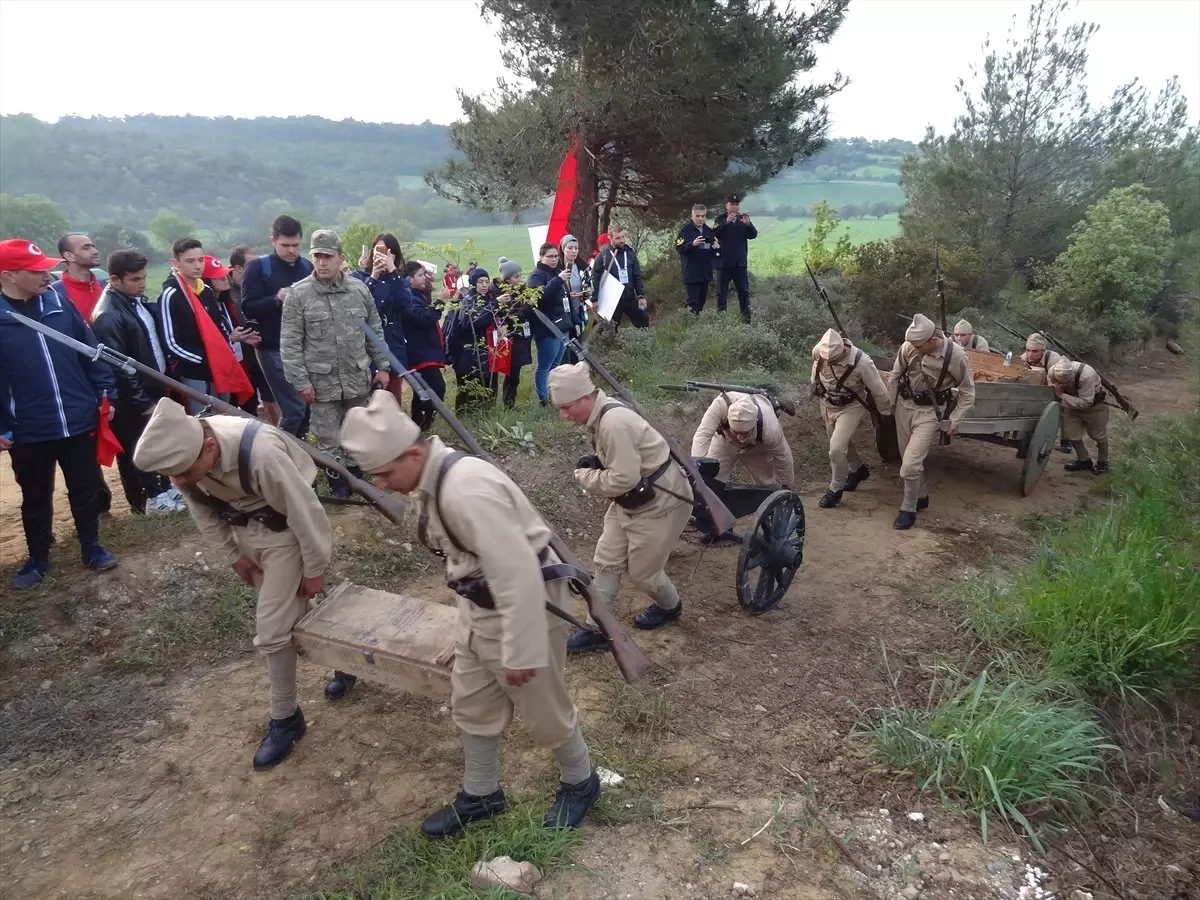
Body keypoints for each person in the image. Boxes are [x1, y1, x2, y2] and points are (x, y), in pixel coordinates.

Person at [339, 391, 601, 836]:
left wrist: (520, 650)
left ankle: (581, 782)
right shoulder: (432, 479)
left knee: (544, 709)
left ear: (414, 453)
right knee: (473, 703)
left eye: (384, 473)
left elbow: (517, 572)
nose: (380, 484)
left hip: (525, 608)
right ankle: (482, 794)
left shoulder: (466, 490)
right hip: (479, 605)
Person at [132, 398, 332, 769]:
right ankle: (345, 659)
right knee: (295, 614)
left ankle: (286, 719)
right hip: (246, 532)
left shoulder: (261, 453)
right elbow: (201, 507)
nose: (179, 482)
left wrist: (314, 567)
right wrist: (231, 553)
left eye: (184, 472)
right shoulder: (187, 457)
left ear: (209, 447)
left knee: (273, 633)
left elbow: (305, 512)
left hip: (287, 531)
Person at [549, 362, 693, 653]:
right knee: (606, 560)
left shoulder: (613, 423)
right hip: (632, 500)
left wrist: (586, 477)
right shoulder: (600, 417)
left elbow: (623, 479)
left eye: (566, 408)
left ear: (585, 398)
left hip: (659, 504)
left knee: (643, 575)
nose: (563, 416)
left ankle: (670, 606)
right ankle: (599, 628)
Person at [0, 238, 119, 588]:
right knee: (36, 496)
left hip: (78, 417)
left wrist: (105, 392)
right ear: (8, 276)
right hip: (29, 428)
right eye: (36, 271)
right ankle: (38, 558)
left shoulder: (56, 302)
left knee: (84, 488)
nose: (47, 276)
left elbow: (90, 352)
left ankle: (92, 547)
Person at [280, 229, 390, 501]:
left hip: (356, 377)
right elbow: (290, 344)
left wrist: (383, 366)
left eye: (328, 256)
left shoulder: (359, 290)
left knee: (357, 433)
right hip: (321, 384)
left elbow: (374, 330)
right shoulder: (299, 295)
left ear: (340, 258)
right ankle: (338, 486)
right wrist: (301, 382)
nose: (322, 262)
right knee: (328, 439)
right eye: (317, 256)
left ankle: (357, 481)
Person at [90, 249, 179, 515]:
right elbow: (119, 366)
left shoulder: (133, 301)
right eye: (134, 279)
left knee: (157, 441)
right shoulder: (108, 315)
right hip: (133, 396)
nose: (141, 283)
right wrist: (142, 401)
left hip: (152, 384)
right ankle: (149, 497)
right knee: (139, 446)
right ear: (115, 280)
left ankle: (164, 488)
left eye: (143, 278)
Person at [888, 313, 975, 530]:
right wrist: (890, 406)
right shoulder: (909, 346)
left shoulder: (956, 356)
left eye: (919, 345)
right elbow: (895, 376)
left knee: (909, 465)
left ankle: (908, 508)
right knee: (908, 457)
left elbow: (967, 392)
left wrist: (955, 419)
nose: (913, 349)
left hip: (930, 413)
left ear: (933, 340)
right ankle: (922, 494)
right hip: (904, 407)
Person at [155, 237, 254, 414]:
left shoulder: (205, 290)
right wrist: (203, 360)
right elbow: (170, 342)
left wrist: (224, 354)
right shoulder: (171, 295)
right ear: (175, 263)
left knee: (225, 411)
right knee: (203, 418)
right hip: (194, 371)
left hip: (218, 367)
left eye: (200, 260)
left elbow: (220, 327)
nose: (197, 266)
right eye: (190, 261)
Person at [240, 216, 314, 439]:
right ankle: (277, 451)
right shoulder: (258, 267)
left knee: (308, 408)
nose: (291, 250)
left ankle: (300, 452)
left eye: (295, 245)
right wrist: (277, 298)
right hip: (273, 347)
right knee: (294, 410)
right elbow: (248, 307)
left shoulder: (306, 266)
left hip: (304, 347)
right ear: (273, 240)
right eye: (285, 245)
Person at [810, 328, 892, 509]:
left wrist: (886, 415)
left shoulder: (862, 362)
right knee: (840, 443)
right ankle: (858, 470)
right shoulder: (820, 351)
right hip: (827, 402)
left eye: (833, 358)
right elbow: (815, 367)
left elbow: (879, 391)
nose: (829, 361)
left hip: (850, 406)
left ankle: (835, 489)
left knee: (836, 449)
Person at [689, 391, 794, 489]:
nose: (740, 438)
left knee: (769, 486)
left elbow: (783, 457)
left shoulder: (770, 428)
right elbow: (702, 436)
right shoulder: (719, 406)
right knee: (709, 480)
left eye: (744, 434)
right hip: (725, 440)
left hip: (756, 447)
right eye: (736, 432)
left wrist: (786, 486)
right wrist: (698, 468)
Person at [354, 233, 411, 409]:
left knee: (393, 402)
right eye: (378, 250)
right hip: (366, 348)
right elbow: (360, 307)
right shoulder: (360, 278)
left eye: (387, 251)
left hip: (392, 345)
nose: (382, 256)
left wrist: (393, 270)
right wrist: (374, 277)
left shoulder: (399, 280)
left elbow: (406, 305)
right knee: (366, 404)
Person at [204, 254, 263, 417]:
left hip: (239, 360)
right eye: (217, 276)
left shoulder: (225, 302)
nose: (224, 278)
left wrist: (244, 337)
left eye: (224, 274)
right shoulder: (206, 306)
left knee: (250, 403)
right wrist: (231, 338)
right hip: (222, 366)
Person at [228, 246, 279, 427]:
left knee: (269, 395)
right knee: (245, 405)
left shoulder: (259, 289)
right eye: (251, 265)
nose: (257, 268)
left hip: (259, 352)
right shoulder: (225, 293)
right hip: (237, 359)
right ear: (238, 268)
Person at [401, 260, 447, 430]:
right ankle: (423, 424)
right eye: (420, 275)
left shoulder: (417, 294)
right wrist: (440, 303)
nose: (424, 278)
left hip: (425, 350)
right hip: (420, 352)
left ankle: (419, 426)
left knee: (422, 390)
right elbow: (423, 318)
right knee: (435, 388)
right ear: (408, 279)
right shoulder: (409, 298)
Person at [528, 243, 575, 406]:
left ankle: (553, 395)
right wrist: (558, 280)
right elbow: (541, 298)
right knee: (545, 366)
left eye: (556, 256)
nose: (554, 259)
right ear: (541, 257)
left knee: (555, 365)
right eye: (550, 256)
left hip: (562, 325)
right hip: (547, 328)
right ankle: (543, 399)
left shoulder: (556, 272)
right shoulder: (536, 276)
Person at [445, 268, 497, 412]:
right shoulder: (468, 301)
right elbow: (472, 322)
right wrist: (494, 305)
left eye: (487, 281)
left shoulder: (486, 299)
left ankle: (485, 414)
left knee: (486, 385)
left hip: (484, 350)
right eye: (480, 282)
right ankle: (464, 419)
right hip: (467, 352)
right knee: (468, 387)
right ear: (473, 284)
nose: (485, 285)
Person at [1050, 357, 1110, 475]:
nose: (1062, 384)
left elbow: (1086, 402)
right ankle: (1084, 460)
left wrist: (1061, 395)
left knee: (1099, 436)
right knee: (1071, 435)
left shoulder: (1086, 375)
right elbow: (1050, 384)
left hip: (1094, 407)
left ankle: (1103, 462)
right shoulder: (1053, 372)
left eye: (1065, 382)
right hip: (1071, 405)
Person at [1022, 333, 1072, 453]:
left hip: (1057, 388)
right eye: (1028, 350)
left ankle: (1066, 441)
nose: (1030, 354)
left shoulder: (1054, 359)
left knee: (1063, 411)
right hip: (1036, 389)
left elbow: (1055, 383)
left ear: (1043, 351)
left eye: (1035, 351)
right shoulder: (1024, 358)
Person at [711, 194, 758, 321]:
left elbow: (753, 235)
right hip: (724, 263)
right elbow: (714, 233)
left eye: (737, 204)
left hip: (739, 263)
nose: (735, 207)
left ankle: (746, 319)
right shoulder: (719, 219)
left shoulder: (742, 219)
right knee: (722, 293)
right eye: (732, 204)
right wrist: (726, 222)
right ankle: (721, 320)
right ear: (726, 206)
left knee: (743, 292)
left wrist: (748, 224)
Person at [590, 227, 648, 329]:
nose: (621, 240)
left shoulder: (630, 253)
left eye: (622, 237)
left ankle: (645, 343)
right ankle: (609, 344)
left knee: (643, 322)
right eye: (617, 238)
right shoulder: (603, 256)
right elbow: (595, 278)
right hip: (613, 300)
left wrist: (641, 296)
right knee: (610, 329)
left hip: (629, 296)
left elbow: (637, 276)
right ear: (610, 238)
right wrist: (594, 299)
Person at [495, 257, 532, 409]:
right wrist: (524, 309)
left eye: (520, 276)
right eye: (516, 277)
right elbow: (507, 316)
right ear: (507, 279)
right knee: (511, 373)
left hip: (521, 335)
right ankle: (508, 404)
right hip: (510, 338)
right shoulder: (503, 295)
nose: (520, 279)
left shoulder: (521, 291)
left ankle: (510, 402)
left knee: (515, 373)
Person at [52, 233, 106, 321]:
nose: (95, 251)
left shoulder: (106, 288)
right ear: (69, 256)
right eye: (86, 248)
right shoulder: (54, 293)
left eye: (93, 246)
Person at [675, 205, 718, 316]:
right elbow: (679, 249)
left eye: (703, 216)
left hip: (705, 273)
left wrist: (716, 247)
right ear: (692, 216)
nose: (700, 219)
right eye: (697, 216)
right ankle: (688, 325)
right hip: (691, 273)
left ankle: (693, 324)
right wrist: (692, 244)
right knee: (693, 303)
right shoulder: (685, 231)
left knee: (701, 303)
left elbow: (708, 248)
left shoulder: (709, 231)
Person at [558, 235, 590, 364]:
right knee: (565, 347)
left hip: (578, 310)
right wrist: (566, 295)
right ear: (563, 249)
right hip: (563, 313)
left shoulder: (582, 267)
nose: (573, 251)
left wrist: (586, 293)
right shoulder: (557, 268)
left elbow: (588, 285)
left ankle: (577, 370)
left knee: (578, 343)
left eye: (576, 248)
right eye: (570, 248)